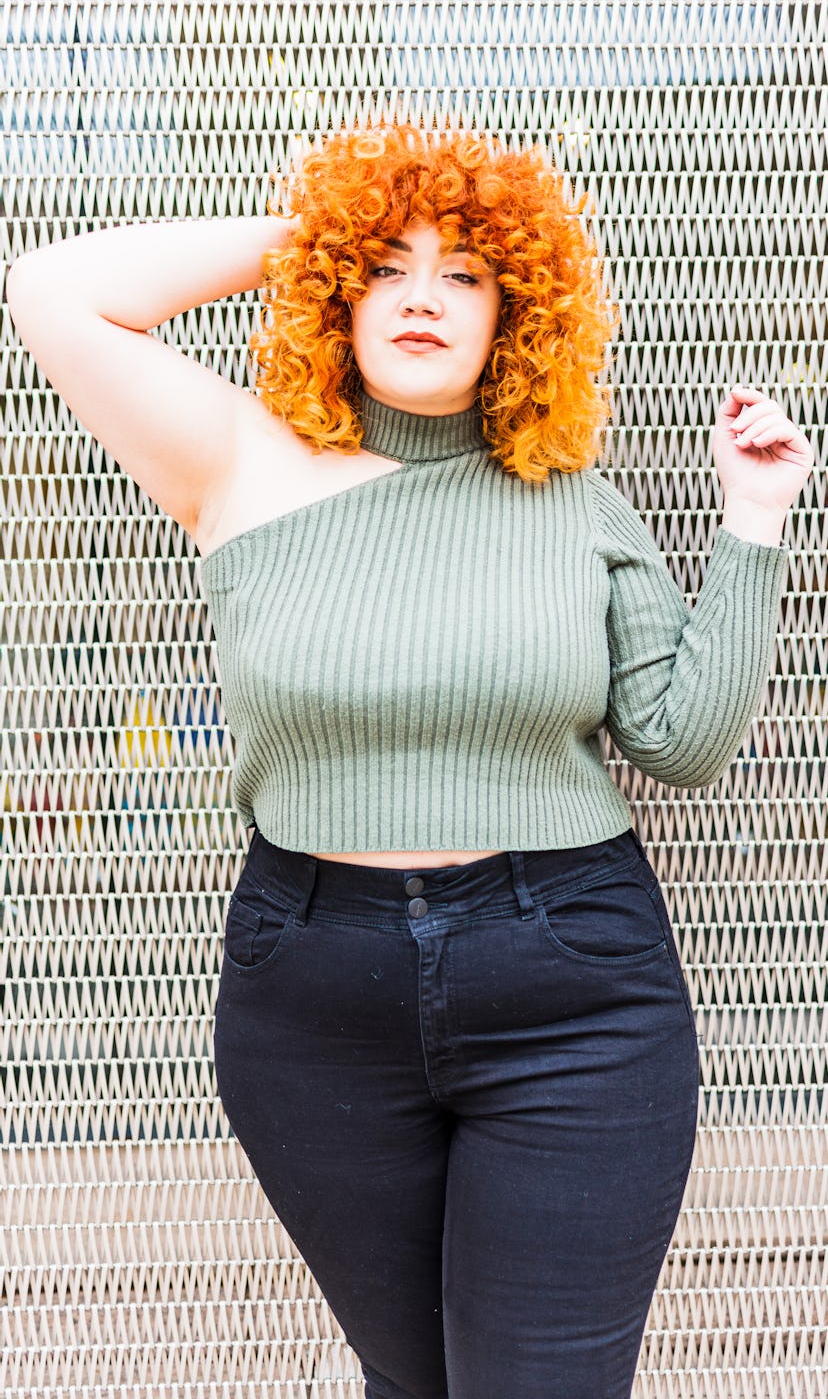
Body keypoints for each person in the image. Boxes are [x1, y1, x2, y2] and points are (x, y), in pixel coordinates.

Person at [7, 120, 815, 1399]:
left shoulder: (579, 506)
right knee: (415, 1379)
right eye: (388, 270)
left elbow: (681, 739)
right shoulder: (237, 463)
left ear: (520, 315)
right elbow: (55, 290)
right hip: (315, 994)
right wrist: (326, 233)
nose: (425, 299)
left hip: (573, 989)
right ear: (338, 292)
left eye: (467, 274)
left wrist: (754, 523)